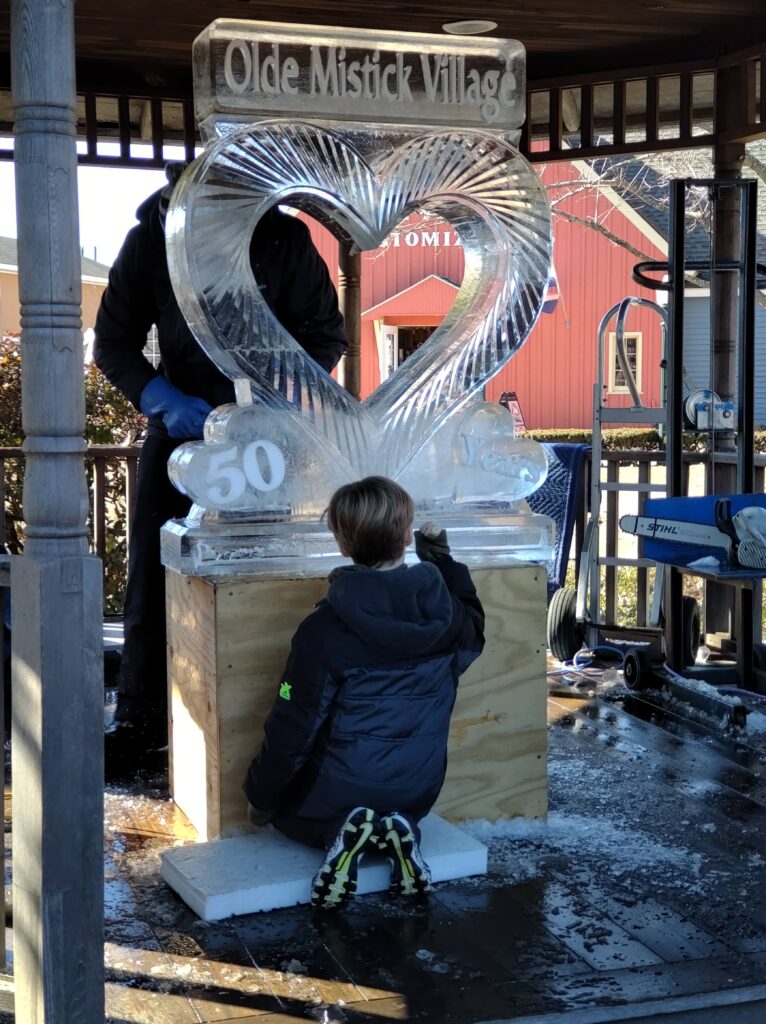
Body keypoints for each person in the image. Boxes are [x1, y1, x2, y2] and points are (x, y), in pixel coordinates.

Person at [94, 163, 348, 773]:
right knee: (154, 581)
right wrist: (161, 399)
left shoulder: (285, 240)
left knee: (259, 573)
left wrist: (275, 399)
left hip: (267, 444)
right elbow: (112, 342)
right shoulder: (151, 237)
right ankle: (140, 720)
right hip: (180, 438)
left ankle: (254, 712)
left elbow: (326, 336)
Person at [243, 476, 485, 909]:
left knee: (285, 816)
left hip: (335, 796)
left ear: (342, 543)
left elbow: (292, 728)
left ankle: (343, 833)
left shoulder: (324, 632)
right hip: (416, 794)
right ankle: (396, 831)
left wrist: (260, 797)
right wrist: (442, 560)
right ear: (407, 535)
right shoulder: (448, 618)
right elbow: (475, 623)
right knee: (391, 805)